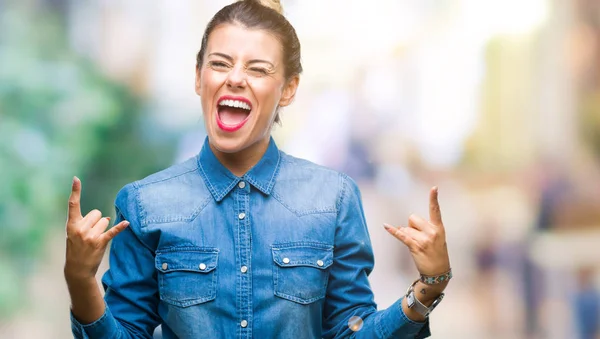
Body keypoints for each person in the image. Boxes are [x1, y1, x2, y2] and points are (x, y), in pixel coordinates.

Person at [64, 1, 452, 338]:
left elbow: (349, 333)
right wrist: (81, 283)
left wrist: (427, 289)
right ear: (199, 77)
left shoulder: (333, 198)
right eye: (220, 63)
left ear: (288, 89)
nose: (235, 77)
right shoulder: (144, 204)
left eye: (258, 69)